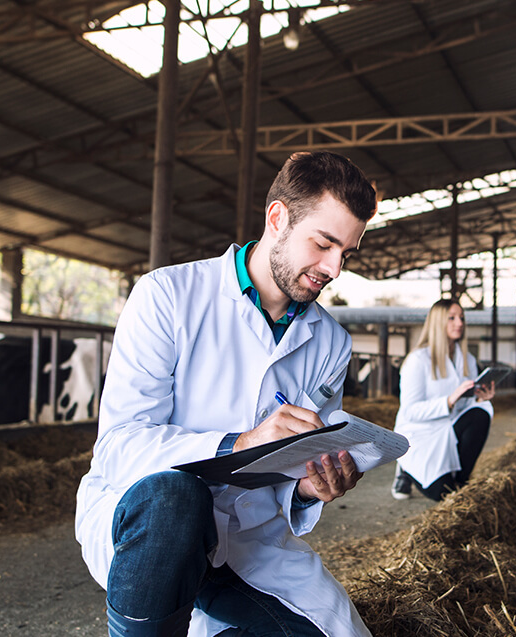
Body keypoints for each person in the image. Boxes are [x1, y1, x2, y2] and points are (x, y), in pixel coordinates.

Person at [74, 151, 377, 637]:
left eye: (347, 253)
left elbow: (291, 470)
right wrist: (236, 444)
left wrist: (308, 487)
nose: (334, 268)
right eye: (323, 244)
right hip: (153, 529)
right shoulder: (167, 296)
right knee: (175, 498)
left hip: (249, 538)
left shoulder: (331, 342)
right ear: (277, 218)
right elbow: (119, 445)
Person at [391, 299, 495, 501]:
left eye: (462, 318)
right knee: (441, 494)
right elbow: (410, 411)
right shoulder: (418, 360)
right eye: (452, 318)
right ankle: (405, 468)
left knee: (480, 415)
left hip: (449, 428)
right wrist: (448, 400)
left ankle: (462, 481)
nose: (460, 323)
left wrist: (481, 399)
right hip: (421, 434)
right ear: (438, 322)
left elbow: (467, 406)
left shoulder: (467, 360)